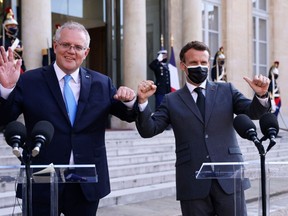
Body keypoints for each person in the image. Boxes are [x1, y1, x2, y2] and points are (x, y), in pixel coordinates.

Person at [0, 21, 137, 216]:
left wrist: (131, 100)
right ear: (55, 46)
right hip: (42, 179)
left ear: (86, 52)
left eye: (78, 47)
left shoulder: (102, 83)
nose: (71, 51)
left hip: (85, 182)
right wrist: (6, 89)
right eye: (65, 45)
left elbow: (128, 115)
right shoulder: (30, 80)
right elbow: (5, 117)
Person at [136, 41, 271, 216]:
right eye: (193, 63)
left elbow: (253, 111)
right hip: (193, 181)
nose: (199, 67)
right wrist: (142, 103)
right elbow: (149, 129)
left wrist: (261, 95)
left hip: (229, 178)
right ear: (183, 66)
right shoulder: (171, 100)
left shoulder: (227, 90)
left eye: (203, 62)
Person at [0, 7, 26, 73]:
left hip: (18, 69)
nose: (13, 27)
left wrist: (24, 69)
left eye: (14, 26)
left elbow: (20, 58)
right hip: (4, 69)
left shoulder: (18, 41)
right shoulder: (1, 40)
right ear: (5, 27)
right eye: (11, 25)